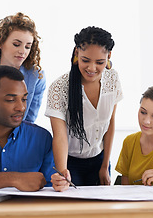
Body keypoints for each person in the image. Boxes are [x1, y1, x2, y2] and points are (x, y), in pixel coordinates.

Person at [46, 26, 123, 191]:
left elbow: (110, 124)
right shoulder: (59, 88)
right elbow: (59, 136)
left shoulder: (113, 79)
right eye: (85, 60)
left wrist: (104, 166)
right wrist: (62, 172)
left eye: (100, 62)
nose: (92, 68)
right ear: (76, 54)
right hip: (69, 163)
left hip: (100, 159)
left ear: (109, 56)